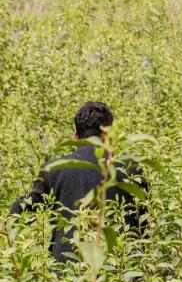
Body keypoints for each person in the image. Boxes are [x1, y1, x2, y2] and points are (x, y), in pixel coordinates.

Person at [9, 102, 148, 262]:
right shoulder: (131, 170)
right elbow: (143, 225)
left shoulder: (53, 169)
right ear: (107, 134)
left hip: (66, 273)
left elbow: (26, 207)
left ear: (75, 136)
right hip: (117, 271)